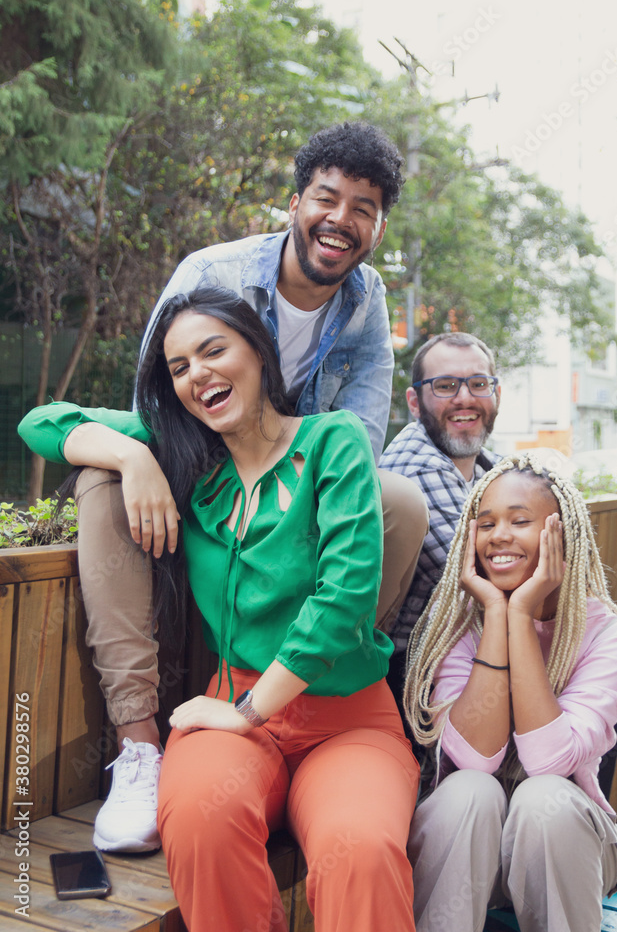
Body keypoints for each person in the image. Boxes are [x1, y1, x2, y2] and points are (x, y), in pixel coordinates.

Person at [59, 120, 427, 851]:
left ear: (379, 226)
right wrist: (138, 463)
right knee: (102, 481)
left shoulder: (363, 300)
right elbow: (157, 400)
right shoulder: (213, 274)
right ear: (295, 203)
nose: (341, 220)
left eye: (364, 208)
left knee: (401, 503)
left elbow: (358, 436)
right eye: (328, 198)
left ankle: (312, 671)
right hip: (197, 473)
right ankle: (138, 749)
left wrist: (297, 471)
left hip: (291, 483)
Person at [19, 288, 420, 932]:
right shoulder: (192, 462)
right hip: (234, 717)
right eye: (178, 367)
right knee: (202, 822)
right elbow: (40, 421)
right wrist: (131, 456)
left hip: (343, 719)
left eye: (213, 350)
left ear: (259, 353)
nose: (197, 374)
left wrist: (246, 711)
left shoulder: (330, 441)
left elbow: (344, 602)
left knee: (363, 852)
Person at [403, 453, 617, 932]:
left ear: (561, 534)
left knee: (543, 799)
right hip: (473, 854)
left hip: (569, 848)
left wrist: (521, 615)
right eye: (485, 523)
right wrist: (497, 614)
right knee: (468, 789)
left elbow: (549, 762)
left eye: (520, 521)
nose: (499, 536)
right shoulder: (459, 625)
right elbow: (475, 760)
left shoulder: (609, 635)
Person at [379, 332, 500, 696]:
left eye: (479, 384)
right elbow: (492, 580)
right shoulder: (419, 466)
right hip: (409, 674)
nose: (465, 398)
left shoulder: (483, 467)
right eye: (446, 386)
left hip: (461, 651)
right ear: (415, 403)